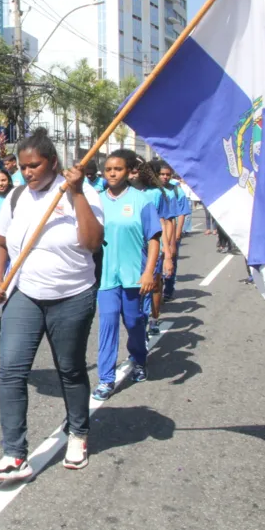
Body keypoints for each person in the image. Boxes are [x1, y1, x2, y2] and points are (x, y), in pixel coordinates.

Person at [0, 130, 103, 481]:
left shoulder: (81, 192)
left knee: (69, 369)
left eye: (34, 165)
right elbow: (0, 242)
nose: (27, 172)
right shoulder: (18, 196)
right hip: (25, 294)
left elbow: (92, 242)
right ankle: (14, 454)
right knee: (11, 371)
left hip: (72, 296)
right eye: (22, 166)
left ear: (52, 162)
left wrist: (78, 193)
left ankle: (78, 433)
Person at [92, 150, 161, 401]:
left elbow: (153, 239)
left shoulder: (142, 201)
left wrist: (149, 273)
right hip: (106, 278)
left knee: (134, 324)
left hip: (134, 276)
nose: (112, 173)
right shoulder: (96, 200)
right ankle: (106, 379)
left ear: (129, 171)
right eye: (108, 169)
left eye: (118, 169)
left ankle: (139, 359)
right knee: (107, 325)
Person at [131, 159, 173, 337]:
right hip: (133, 250)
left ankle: (152, 319)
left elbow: (165, 222)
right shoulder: (125, 192)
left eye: (134, 172)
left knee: (153, 286)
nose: (131, 175)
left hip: (152, 248)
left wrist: (167, 251)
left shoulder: (155, 193)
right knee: (136, 289)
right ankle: (140, 319)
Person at [155, 162, 185, 301]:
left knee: (170, 260)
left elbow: (180, 214)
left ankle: (168, 289)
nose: (165, 177)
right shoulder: (153, 191)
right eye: (162, 174)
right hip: (156, 232)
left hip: (171, 231)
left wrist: (177, 234)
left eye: (167, 174)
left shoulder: (176, 190)